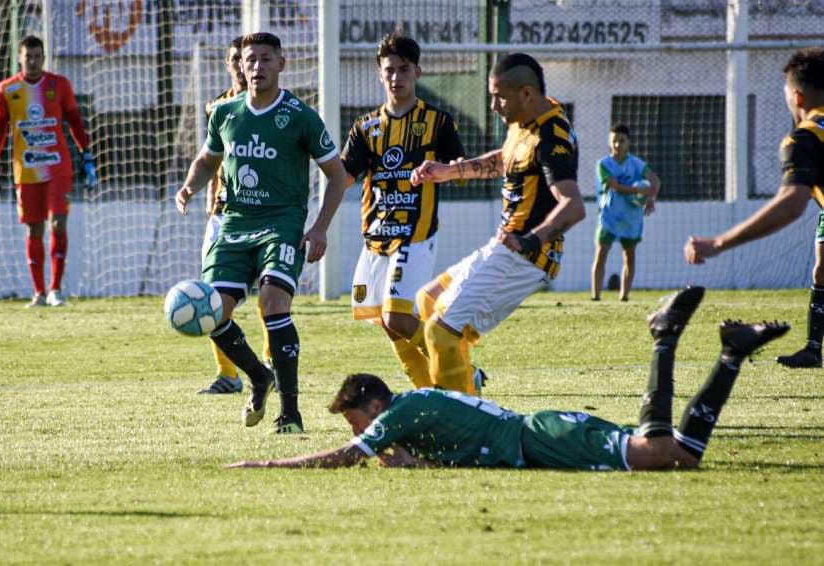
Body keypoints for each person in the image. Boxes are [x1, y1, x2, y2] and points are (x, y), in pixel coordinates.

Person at [226, 287, 790, 470]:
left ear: (373, 404)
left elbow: (347, 457)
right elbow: (457, 451)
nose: (361, 435)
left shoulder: (398, 411)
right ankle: (733, 355)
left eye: (355, 421)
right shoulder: (414, 418)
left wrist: (267, 464)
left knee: (655, 449)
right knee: (682, 457)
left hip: (540, 437)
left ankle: (664, 337)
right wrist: (416, 465)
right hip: (535, 440)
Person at [175, 32, 347, 433]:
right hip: (233, 223)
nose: (257, 66)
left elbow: (337, 176)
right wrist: (188, 186)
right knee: (212, 312)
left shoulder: (301, 116)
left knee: (273, 302)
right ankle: (258, 375)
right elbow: (206, 160)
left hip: (282, 223)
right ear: (241, 65)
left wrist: (319, 228)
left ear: (282, 64)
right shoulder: (225, 112)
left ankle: (290, 412)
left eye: (266, 59)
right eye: (250, 60)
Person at [407, 53, 585, 394]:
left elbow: (573, 206)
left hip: (525, 258)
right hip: (506, 246)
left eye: (499, 96)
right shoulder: (524, 120)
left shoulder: (551, 138)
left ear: (527, 94)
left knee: (441, 331)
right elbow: (507, 160)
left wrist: (533, 239)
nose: (493, 105)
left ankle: (463, 426)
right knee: (428, 300)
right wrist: (449, 171)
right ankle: (463, 380)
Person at [341, 31, 466, 390]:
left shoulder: (438, 122)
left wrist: (445, 171)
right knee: (387, 321)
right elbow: (347, 177)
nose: (396, 77)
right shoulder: (365, 127)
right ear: (380, 74)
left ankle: (460, 366)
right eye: (389, 70)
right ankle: (428, 389)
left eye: (404, 69)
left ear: (418, 73)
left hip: (416, 233)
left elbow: (459, 171)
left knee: (395, 315)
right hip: (376, 237)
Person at [685, 47, 824, 369]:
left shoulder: (804, 138)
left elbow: (791, 203)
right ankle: (813, 348)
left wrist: (719, 243)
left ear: (797, 97)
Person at [0, 35, 97, 308]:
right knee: (34, 230)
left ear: (43, 58)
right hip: (26, 170)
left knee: (58, 222)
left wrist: (87, 156)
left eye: (37, 56)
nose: (32, 61)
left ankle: (56, 289)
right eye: (27, 57)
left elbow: (75, 122)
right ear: (19, 58)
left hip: (58, 166)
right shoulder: (7, 89)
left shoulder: (59, 85)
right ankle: (39, 293)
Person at [196, 36, 272, 395]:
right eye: (237, 61)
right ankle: (228, 375)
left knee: (269, 295)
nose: (245, 68)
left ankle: (270, 362)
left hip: (264, 216)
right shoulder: (219, 108)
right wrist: (211, 212)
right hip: (223, 215)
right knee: (213, 299)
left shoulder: (272, 108)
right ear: (232, 65)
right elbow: (212, 163)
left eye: (254, 60)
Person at [590, 123, 660, 302]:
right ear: (609, 142)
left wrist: (651, 197)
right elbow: (615, 186)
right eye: (614, 141)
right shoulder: (603, 164)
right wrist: (639, 191)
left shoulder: (636, 164)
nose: (617, 145)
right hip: (609, 215)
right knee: (601, 252)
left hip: (631, 217)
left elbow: (655, 180)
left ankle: (624, 297)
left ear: (628, 142)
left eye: (622, 141)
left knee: (629, 255)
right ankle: (595, 296)